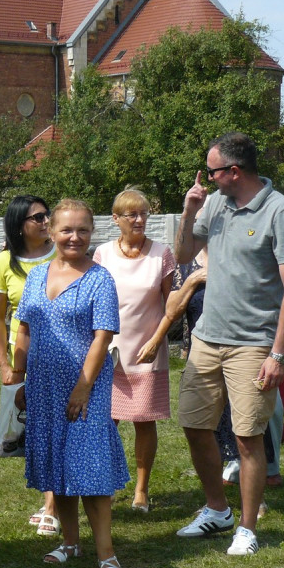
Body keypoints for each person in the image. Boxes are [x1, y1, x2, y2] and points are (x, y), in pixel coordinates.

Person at [173, 132, 284, 556]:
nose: (207, 178)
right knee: (194, 426)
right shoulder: (212, 202)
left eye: (212, 172)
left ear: (233, 171)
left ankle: (246, 529)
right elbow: (182, 254)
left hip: (254, 344)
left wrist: (277, 354)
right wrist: (188, 210)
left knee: (247, 438)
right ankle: (218, 509)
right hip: (207, 339)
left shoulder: (280, 211)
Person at [12, 199, 128, 568]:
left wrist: (82, 387)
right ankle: (70, 543)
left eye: (82, 230)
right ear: (51, 231)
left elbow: (102, 337)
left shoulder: (100, 278)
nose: (74, 237)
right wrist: (21, 376)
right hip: (43, 388)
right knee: (56, 466)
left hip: (86, 389)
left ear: (92, 233)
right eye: (66, 230)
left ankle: (106, 554)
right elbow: (25, 329)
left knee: (91, 471)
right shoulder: (35, 277)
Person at [93, 188, 175, 512]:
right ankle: (108, 484)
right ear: (116, 219)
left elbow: (172, 307)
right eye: (131, 214)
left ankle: (141, 490)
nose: (139, 219)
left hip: (147, 352)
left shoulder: (162, 254)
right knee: (105, 422)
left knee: (144, 421)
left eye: (143, 213)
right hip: (109, 353)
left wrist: (156, 341)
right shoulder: (102, 254)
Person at [0, 196, 58, 535]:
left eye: (48, 215)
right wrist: (4, 361)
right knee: (33, 432)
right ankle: (53, 500)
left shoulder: (64, 254)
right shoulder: (3, 262)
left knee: (53, 429)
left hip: (63, 357)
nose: (46, 222)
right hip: (23, 358)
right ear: (20, 226)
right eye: (38, 217)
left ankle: (52, 507)